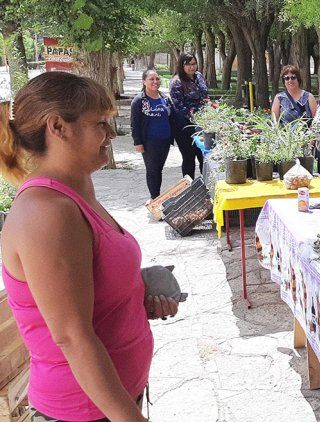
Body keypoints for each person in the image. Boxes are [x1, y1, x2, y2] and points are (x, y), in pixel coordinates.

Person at [0, 72, 178, 421]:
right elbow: (71, 336)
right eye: (100, 123)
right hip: (83, 409)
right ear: (58, 127)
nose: (111, 135)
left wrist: (135, 298)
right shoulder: (45, 212)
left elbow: (86, 286)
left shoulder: (77, 188)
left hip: (114, 397)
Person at [131, 69, 175, 200]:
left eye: (157, 79)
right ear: (144, 81)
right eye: (151, 79)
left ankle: (157, 197)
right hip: (149, 142)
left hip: (164, 141)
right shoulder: (139, 100)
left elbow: (172, 118)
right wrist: (137, 142)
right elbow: (134, 123)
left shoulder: (165, 99)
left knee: (159, 170)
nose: (155, 82)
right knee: (152, 170)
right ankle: (154, 198)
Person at [169, 53, 207, 179]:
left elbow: (205, 97)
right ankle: (188, 188)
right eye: (188, 64)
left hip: (202, 124)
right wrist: (195, 119)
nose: (192, 67)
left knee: (204, 156)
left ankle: (206, 187)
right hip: (184, 126)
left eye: (194, 63)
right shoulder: (176, 82)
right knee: (189, 158)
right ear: (182, 65)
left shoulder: (199, 76)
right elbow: (179, 107)